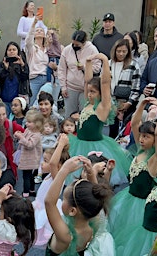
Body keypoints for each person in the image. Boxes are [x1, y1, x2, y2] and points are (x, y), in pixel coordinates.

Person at [108, 97, 157, 256]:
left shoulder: (155, 159)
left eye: (147, 137)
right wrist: (142, 104)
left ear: (155, 141)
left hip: (141, 206)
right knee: (120, 231)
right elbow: (134, 124)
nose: (141, 139)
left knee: (133, 239)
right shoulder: (140, 151)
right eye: (141, 136)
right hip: (127, 198)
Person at [66, 53, 130, 187]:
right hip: (78, 143)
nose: (89, 94)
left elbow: (105, 83)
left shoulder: (101, 107)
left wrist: (105, 60)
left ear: (101, 94)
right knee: (78, 178)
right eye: (89, 91)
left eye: (93, 92)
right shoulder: (87, 103)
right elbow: (87, 80)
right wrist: (88, 62)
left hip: (94, 146)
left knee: (94, 180)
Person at [45, 157, 113, 255]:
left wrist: (64, 170)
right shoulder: (93, 224)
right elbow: (94, 195)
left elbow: (49, 203)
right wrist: (91, 174)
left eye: (63, 199)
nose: (61, 200)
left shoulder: (65, 234)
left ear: (72, 211)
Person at [32, 133, 69, 247]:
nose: (42, 163)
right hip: (40, 205)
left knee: (46, 230)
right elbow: (53, 161)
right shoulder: (50, 175)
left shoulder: (57, 177)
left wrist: (61, 144)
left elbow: (53, 163)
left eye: (46, 161)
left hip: (46, 208)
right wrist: (58, 144)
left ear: (59, 165)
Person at [59, 30, 101, 117]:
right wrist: (63, 87)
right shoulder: (67, 50)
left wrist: (85, 67)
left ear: (84, 43)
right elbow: (62, 69)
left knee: (84, 115)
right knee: (69, 116)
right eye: (73, 43)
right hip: (70, 87)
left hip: (85, 89)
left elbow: (97, 68)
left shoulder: (92, 49)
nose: (74, 46)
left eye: (77, 45)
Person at [108, 39, 141, 138]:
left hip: (126, 101)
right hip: (111, 101)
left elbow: (136, 87)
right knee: (112, 130)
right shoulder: (109, 63)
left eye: (124, 51)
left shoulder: (133, 65)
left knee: (124, 131)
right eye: (118, 51)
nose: (121, 54)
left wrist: (129, 102)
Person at [0, 102, 25, 188]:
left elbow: (26, 132)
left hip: (8, 166)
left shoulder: (10, 125)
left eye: (4, 114)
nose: (2, 118)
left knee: (5, 184)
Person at [13, 109, 44, 198]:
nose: (27, 124)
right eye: (27, 121)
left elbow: (30, 145)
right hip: (27, 158)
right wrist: (19, 135)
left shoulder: (36, 135)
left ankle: (26, 193)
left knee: (26, 176)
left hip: (31, 159)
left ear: (37, 123)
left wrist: (21, 137)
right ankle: (31, 190)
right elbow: (24, 137)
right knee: (30, 176)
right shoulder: (28, 130)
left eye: (29, 122)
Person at [0, 42, 29, 109]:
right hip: (4, 98)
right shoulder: (2, 64)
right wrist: (6, 68)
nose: (11, 51)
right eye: (9, 50)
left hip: (18, 98)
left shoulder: (22, 63)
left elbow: (25, 77)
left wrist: (22, 65)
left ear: (18, 51)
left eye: (14, 50)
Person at [25, 15, 49, 106]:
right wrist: (34, 23)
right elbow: (28, 41)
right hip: (35, 78)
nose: (39, 31)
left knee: (46, 103)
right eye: (37, 30)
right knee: (32, 103)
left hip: (47, 78)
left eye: (41, 30)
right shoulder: (32, 48)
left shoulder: (48, 49)